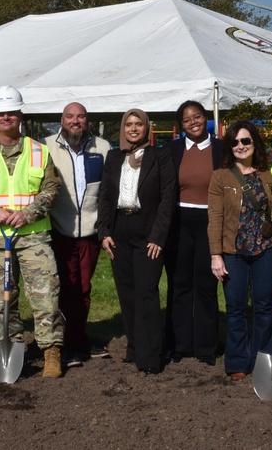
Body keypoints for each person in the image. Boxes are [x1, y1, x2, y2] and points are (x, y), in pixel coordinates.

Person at [0, 86, 65, 379]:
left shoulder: (39, 151)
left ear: (20, 115)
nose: (6, 117)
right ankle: (12, 345)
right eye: (0, 113)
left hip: (33, 236)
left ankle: (51, 352)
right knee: (1, 299)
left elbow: (51, 188)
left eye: (11, 112)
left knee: (46, 296)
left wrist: (28, 213)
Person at [96, 109, 175, 375]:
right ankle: (134, 347)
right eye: (128, 124)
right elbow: (105, 196)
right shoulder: (114, 157)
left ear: (146, 127)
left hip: (148, 230)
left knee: (147, 292)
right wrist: (104, 232)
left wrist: (158, 236)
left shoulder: (160, 156)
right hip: (120, 229)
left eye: (138, 124)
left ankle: (151, 355)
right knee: (127, 292)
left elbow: (167, 199)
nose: (133, 129)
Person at [207, 121, 272, 381]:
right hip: (233, 251)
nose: (240, 146)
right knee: (236, 308)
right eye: (235, 142)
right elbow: (215, 217)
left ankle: (263, 360)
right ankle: (238, 360)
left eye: (246, 141)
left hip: (267, 248)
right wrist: (216, 254)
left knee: (264, 307)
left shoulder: (268, 173)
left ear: (254, 144)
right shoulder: (221, 176)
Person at [44, 102, 112, 368]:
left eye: (81, 117)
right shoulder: (46, 146)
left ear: (87, 120)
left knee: (83, 288)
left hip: (91, 232)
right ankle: (63, 343)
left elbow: (107, 191)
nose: (76, 121)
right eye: (70, 116)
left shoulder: (102, 148)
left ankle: (78, 338)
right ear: (62, 120)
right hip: (59, 230)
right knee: (63, 288)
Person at [164, 100, 222, 365]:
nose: (193, 122)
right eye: (186, 120)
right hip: (179, 223)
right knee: (179, 284)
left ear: (206, 118)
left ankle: (206, 346)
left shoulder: (221, 149)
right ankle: (179, 344)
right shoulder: (172, 149)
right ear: (181, 125)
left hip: (210, 222)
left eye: (197, 116)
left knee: (207, 286)